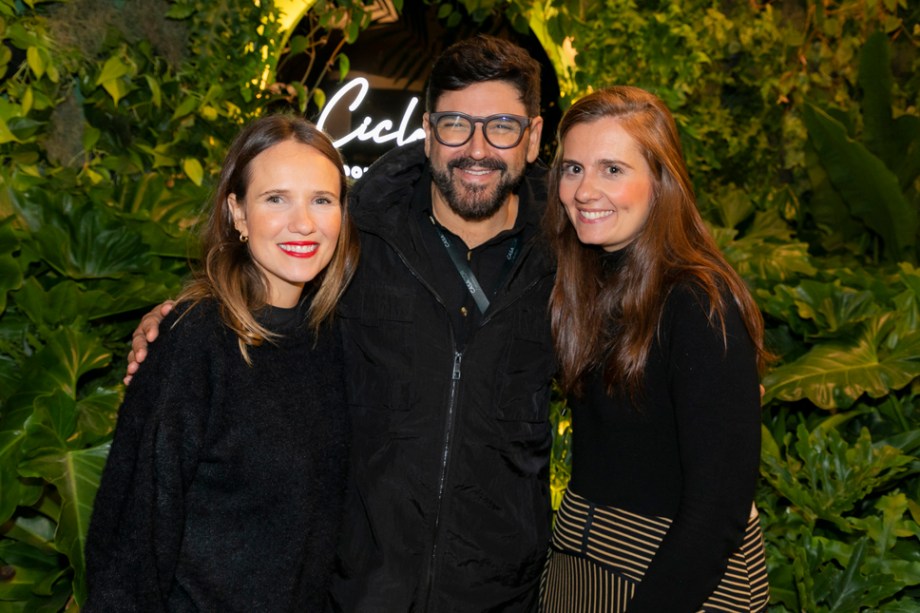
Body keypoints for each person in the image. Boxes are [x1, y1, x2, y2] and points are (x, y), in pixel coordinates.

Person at [124, 35, 557, 611]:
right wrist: (184, 318)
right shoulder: (359, 232)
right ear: (428, 131)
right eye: (455, 124)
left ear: (532, 136)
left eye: (502, 125)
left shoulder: (571, 255)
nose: (476, 148)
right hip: (354, 590)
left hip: (502, 595)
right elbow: (272, 297)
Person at [85, 115, 360, 611]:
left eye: (322, 200)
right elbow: (132, 535)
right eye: (275, 198)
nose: (303, 222)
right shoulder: (195, 340)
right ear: (237, 212)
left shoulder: (335, 339)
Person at [540, 86, 770, 612]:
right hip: (584, 564)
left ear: (661, 182)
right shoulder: (586, 281)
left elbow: (717, 510)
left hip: (675, 580)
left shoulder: (697, 302)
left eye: (612, 170)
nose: (584, 190)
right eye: (572, 169)